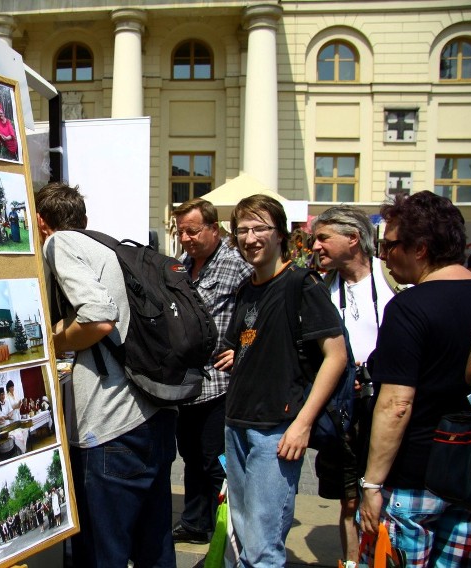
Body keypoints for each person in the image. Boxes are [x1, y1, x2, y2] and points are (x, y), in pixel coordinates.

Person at [36, 182, 177, 567]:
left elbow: (98, 317)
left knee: (102, 552)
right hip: (153, 415)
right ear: (85, 220)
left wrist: (52, 341)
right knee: (155, 545)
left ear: (40, 222)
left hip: (110, 427)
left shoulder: (59, 244)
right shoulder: (111, 248)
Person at [359, 192, 471, 566]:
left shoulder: (409, 306)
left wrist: (371, 484)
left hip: (414, 477)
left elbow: (396, 404)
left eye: (390, 245)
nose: (384, 256)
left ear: (420, 248)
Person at [219, 194, 347, 567]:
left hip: (276, 431)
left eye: (260, 228)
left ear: (280, 235)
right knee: (241, 541)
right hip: (238, 423)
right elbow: (249, 340)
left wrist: (302, 424)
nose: (250, 237)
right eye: (242, 230)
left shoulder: (301, 284)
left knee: (262, 547)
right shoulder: (247, 288)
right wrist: (239, 355)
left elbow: (336, 357)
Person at [310, 205, 395, 565]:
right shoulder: (319, 287)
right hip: (343, 408)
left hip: (388, 403)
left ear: (353, 238)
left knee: (384, 494)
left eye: (323, 238)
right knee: (348, 498)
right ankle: (351, 561)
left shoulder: (393, 279)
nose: (314, 246)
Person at [170, 198, 252, 545]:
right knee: (190, 456)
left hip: (219, 382)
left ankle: (227, 528)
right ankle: (195, 521)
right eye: (181, 231)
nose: (186, 238)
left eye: (192, 231)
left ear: (213, 229)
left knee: (214, 459)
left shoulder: (236, 264)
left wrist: (246, 347)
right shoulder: (181, 266)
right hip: (186, 382)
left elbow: (260, 307)